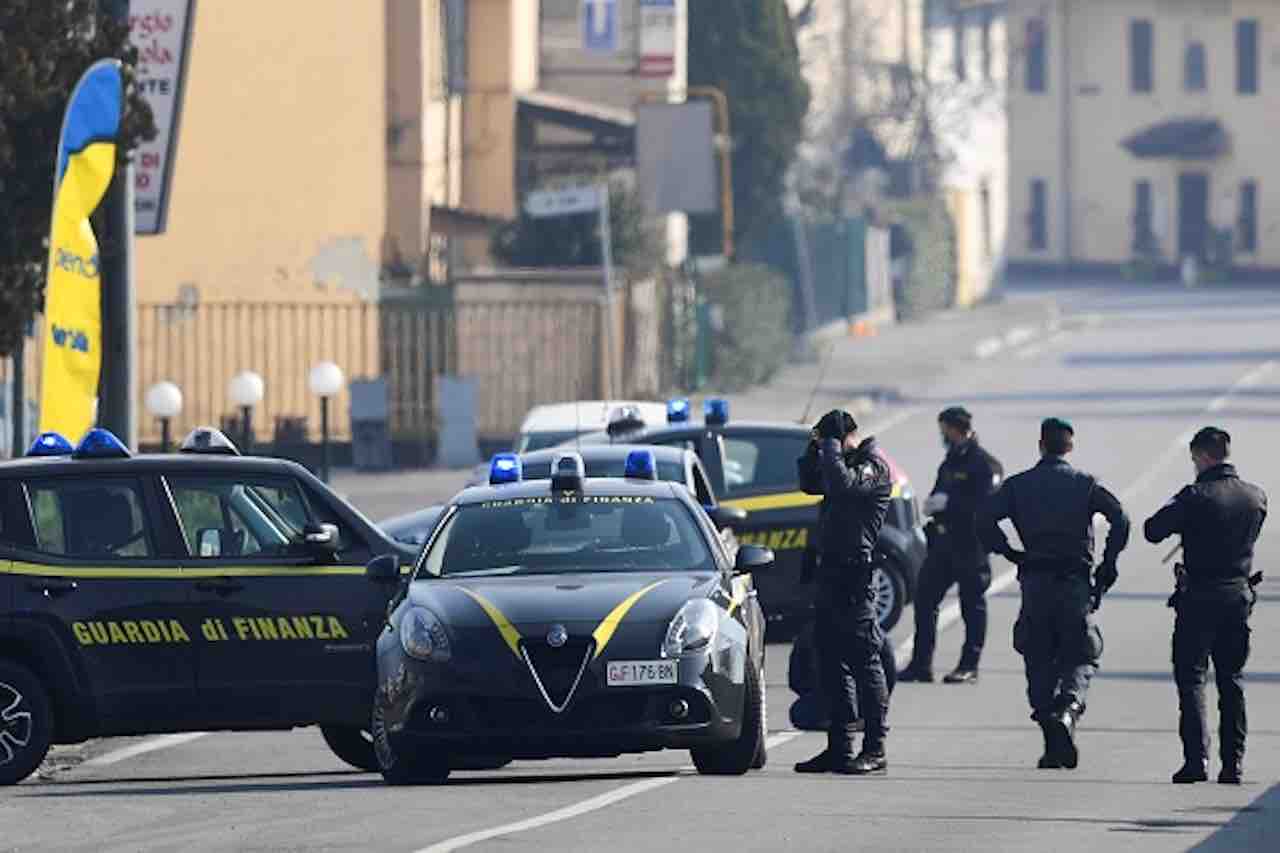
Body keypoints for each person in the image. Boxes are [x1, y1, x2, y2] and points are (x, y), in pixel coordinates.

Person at [977, 418, 1130, 770]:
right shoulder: (1086, 485)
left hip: (1035, 583)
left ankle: (1053, 741)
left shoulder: (1018, 486)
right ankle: (1068, 709)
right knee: (1081, 655)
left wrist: (1009, 552)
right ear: (1070, 447)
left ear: (1041, 444)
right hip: (1075, 583)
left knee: (1038, 656)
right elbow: (1120, 519)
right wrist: (1108, 564)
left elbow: (983, 518)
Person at [1143, 427, 1266, 785]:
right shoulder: (1255, 496)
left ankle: (1196, 759)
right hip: (1237, 594)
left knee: (1192, 677)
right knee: (1232, 679)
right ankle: (1233, 764)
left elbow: (1153, 530)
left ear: (1204, 456)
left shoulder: (1194, 495)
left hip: (1198, 596)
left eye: (1194, 458)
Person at [793, 409, 894, 775]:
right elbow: (808, 482)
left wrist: (833, 444)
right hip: (829, 577)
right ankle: (839, 747)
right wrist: (814, 446)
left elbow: (841, 485)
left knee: (865, 662)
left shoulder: (872, 466)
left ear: (848, 436)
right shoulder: (842, 464)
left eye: (834, 439)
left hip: (854, 581)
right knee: (830, 663)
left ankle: (875, 747)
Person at [900, 407, 1004, 684]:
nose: (942, 435)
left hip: (971, 546)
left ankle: (969, 666)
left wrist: (951, 504)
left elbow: (987, 504)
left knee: (972, 607)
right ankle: (921, 665)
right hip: (944, 545)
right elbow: (939, 490)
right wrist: (934, 503)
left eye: (944, 430)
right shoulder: (951, 461)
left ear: (956, 428)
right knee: (924, 600)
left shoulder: (985, 465)